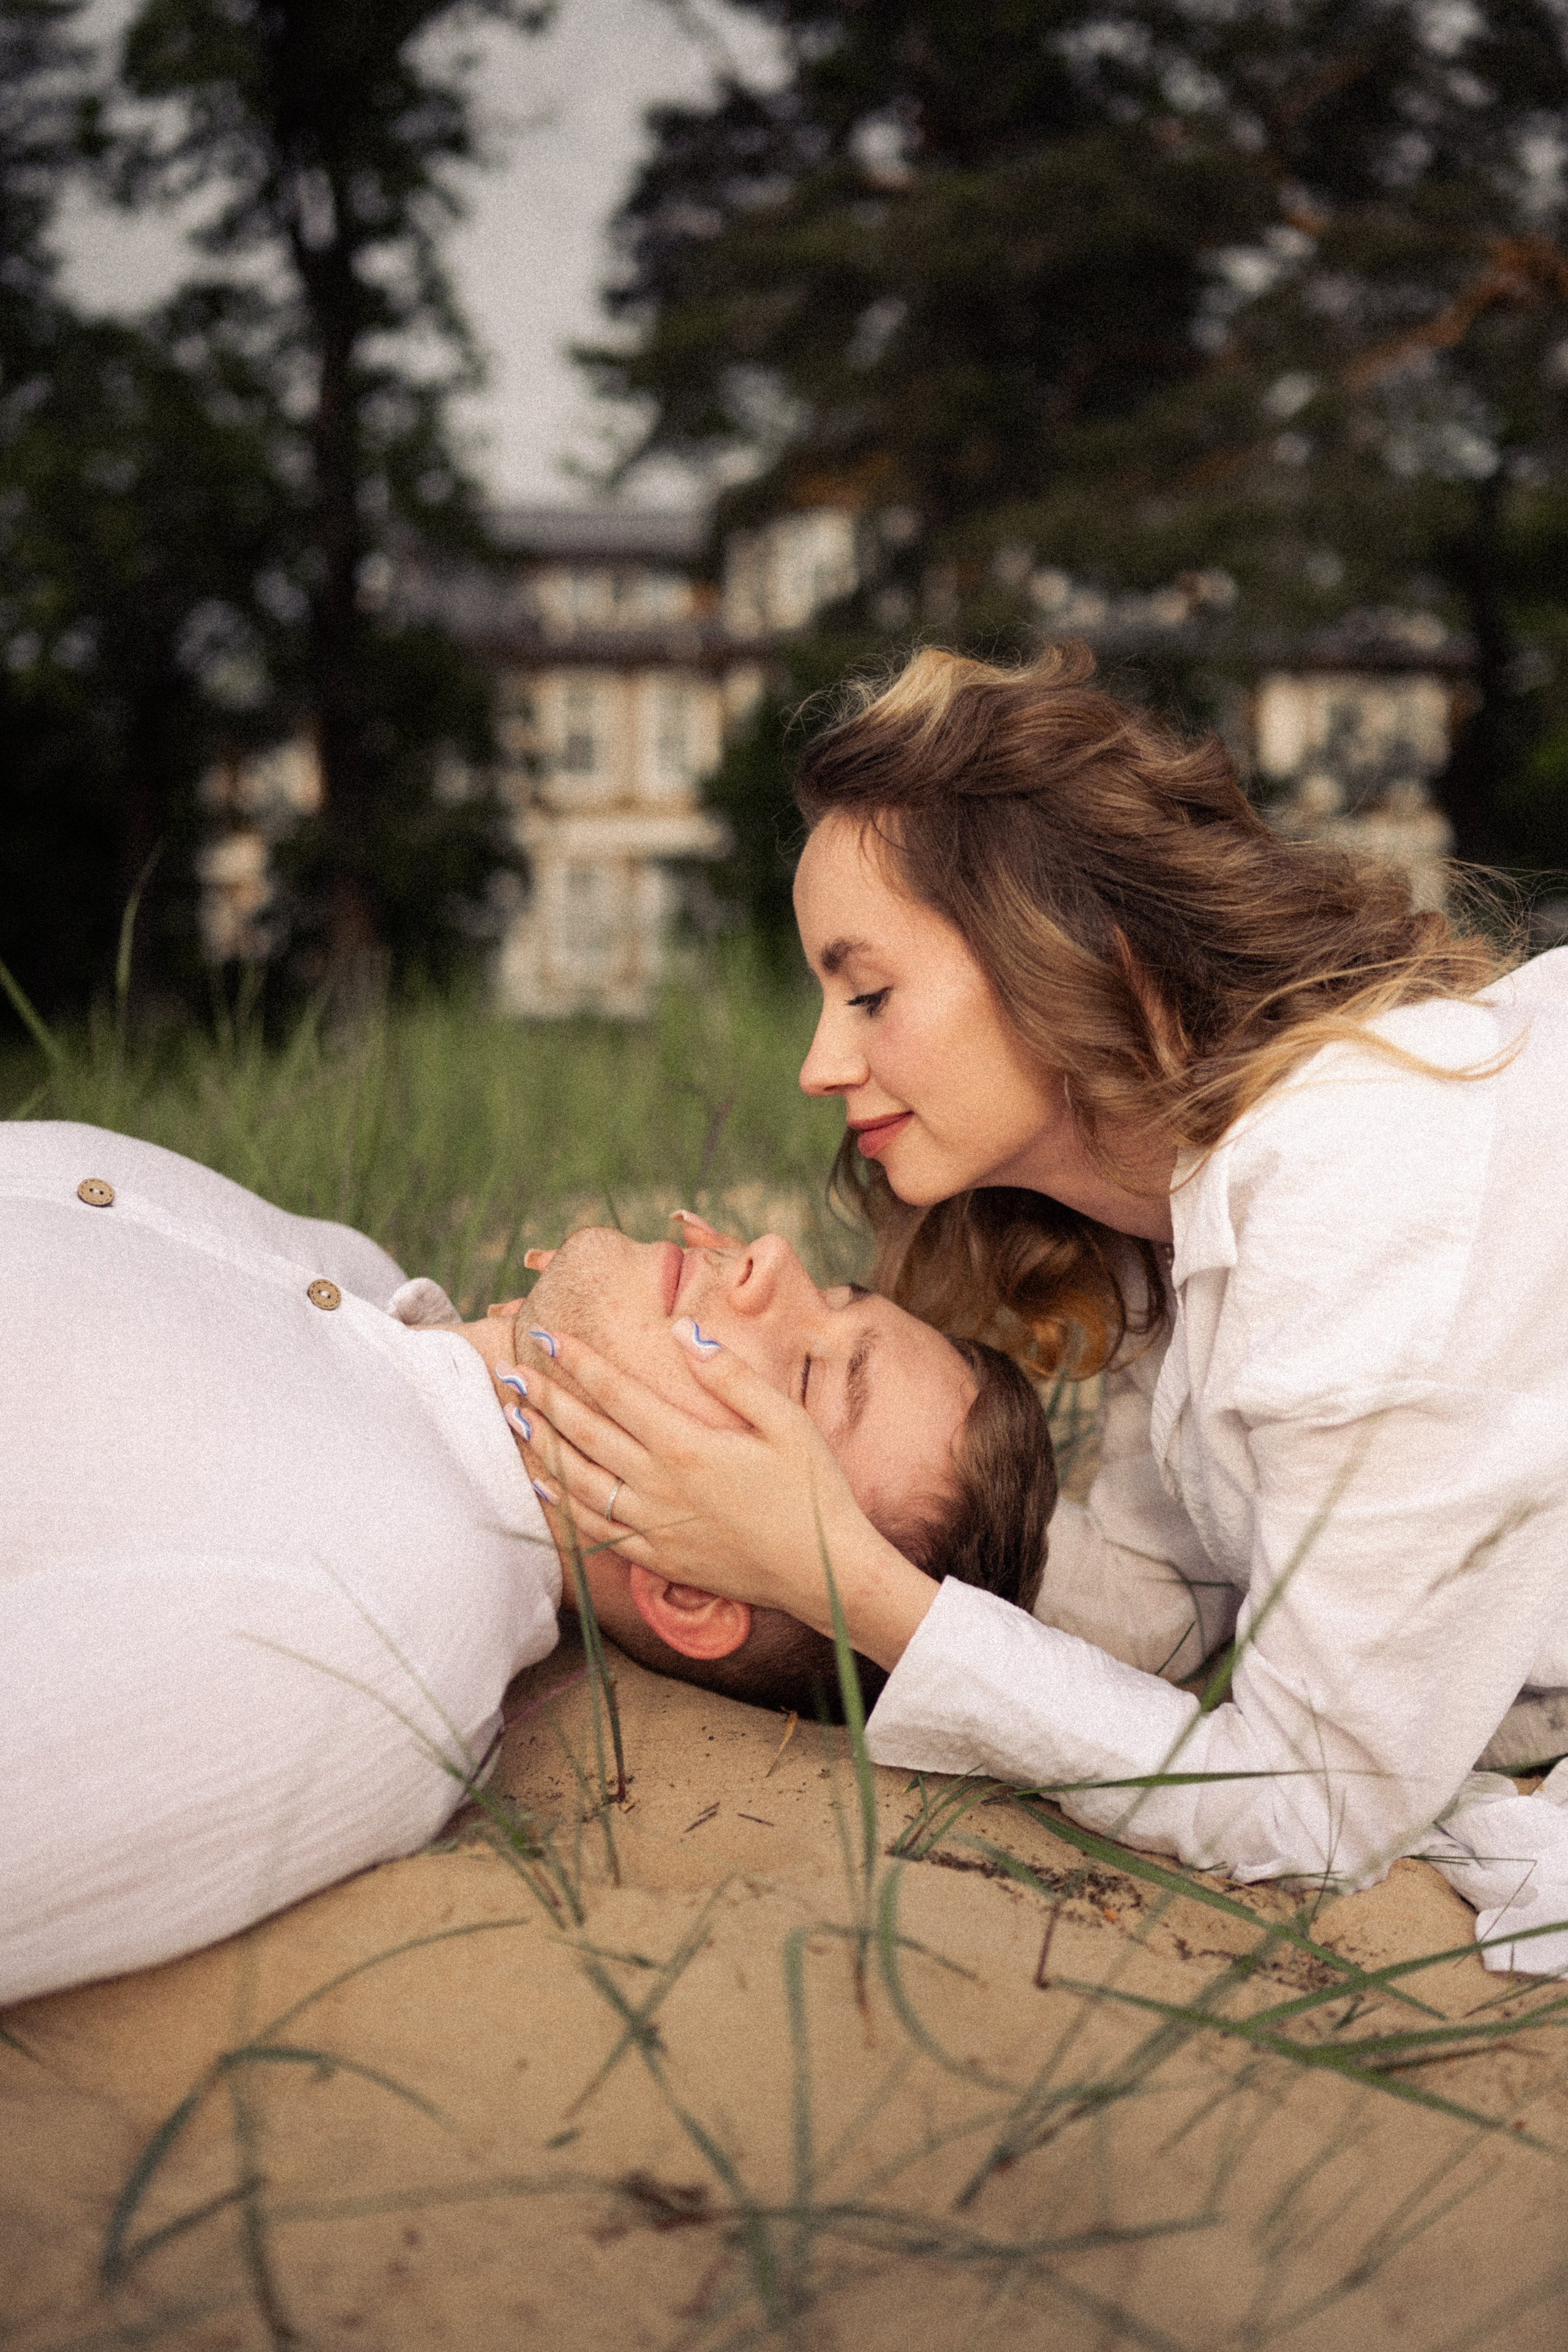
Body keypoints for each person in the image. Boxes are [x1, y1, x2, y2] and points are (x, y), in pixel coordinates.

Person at [523, 643, 1568, 1977]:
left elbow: (1321, 1808)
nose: (817, 1064)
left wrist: (839, 1583)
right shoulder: (1169, 1213)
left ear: (1074, 955)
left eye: (871, 993)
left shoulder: (1355, 1186)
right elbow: (1163, 1590)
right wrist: (799, 1512)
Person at [0, 1120, 1054, 2008]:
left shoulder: (387, 1628)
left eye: (815, 1371)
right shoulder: (358, 1277)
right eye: (835, 1293)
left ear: (690, 1586)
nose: (771, 1255)